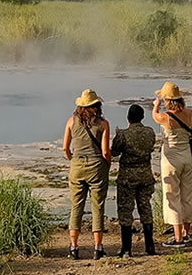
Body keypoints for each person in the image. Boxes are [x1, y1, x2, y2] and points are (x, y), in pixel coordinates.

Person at [62, 88, 111, 260]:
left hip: (77, 165)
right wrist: (108, 164)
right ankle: (98, 247)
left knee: (77, 206)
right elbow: (106, 151)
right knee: (97, 206)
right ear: (97, 105)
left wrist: (73, 160)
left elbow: (65, 148)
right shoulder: (103, 124)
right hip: (97, 165)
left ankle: (74, 247)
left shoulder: (71, 121)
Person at [152, 82, 192, 248]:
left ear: (167, 100)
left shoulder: (165, 117)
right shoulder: (190, 114)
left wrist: (155, 106)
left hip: (171, 159)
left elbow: (155, 116)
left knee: (172, 195)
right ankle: (186, 233)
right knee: (187, 195)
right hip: (187, 156)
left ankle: (177, 237)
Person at [111, 103, 157, 257]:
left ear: (128, 118)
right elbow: (150, 147)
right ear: (142, 117)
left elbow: (115, 153)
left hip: (128, 178)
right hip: (145, 175)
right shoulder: (150, 132)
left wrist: (118, 135)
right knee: (145, 208)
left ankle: (126, 248)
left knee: (125, 211)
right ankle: (150, 247)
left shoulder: (123, 135)